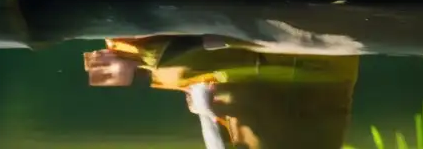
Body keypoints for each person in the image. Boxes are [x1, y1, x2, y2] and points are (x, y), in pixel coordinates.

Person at [84, 35, 360, 149]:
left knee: (123, 49)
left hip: (308, 63)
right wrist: (142, 64)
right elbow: (208, 103)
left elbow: (207, 105)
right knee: (125, 46)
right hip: (293, 60)